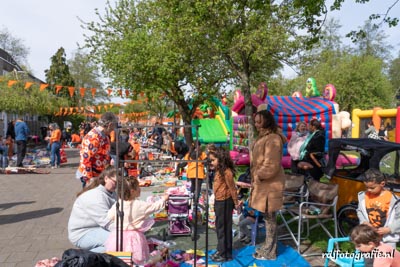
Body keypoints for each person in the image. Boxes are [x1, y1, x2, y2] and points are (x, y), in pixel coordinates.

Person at [249, 109, 286, 260]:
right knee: (268, 218)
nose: (257, 125)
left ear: (267, 121)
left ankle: (270, 252)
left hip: (270, 185)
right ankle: (268, 247)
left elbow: (271, 164)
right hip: (265, 184)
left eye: (259, 122)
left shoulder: (273, 139)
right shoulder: (264, 136)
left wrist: (259, 175)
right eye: (255, 122)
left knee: (270, 219)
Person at [105, 177, 168, 264]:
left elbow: (109, 216)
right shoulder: (139, 205)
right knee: (136, 260)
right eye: (138, 187)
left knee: (121, 260)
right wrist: (163, 199)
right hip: (134, 237)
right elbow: (154, 207)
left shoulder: (118, 203)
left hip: (118, 236)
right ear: (132, 191)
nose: (140, 189)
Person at [68, 166, 118, 253]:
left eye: (119, 183)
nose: (116, 185)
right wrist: (127, 232)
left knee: (120, 241)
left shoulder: (111, 193)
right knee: (117, 242)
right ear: (106, 178)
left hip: (97, 228)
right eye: (114, 182)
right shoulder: (96, 196)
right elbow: (106, 221)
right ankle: (83, 258)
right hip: (82, 233)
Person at [208, 147, 239, 262]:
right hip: (219, 201)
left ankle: (225, 253)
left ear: (220, 159)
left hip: (225, 202)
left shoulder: (227, 172)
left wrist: (236, 203)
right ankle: (221, 248)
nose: (211, 162)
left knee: (224, 228)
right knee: (219, 227)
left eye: (213, 160)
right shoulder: (218, 170)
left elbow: (232, 188)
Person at [356, 168, 400, 248]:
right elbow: (360, 211)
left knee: (386, 259)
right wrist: (364, 222)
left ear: (382, 184)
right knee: (369, 258)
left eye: (372, 188)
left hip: (388, 239)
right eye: (366, 187)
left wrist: (389, 229)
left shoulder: (393, 200)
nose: (369, 190)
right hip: (369, 235)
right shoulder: (363, 197)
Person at [76, 112, 118, 187]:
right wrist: (89, 179)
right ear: (109, 125)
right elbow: (86, 159)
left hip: (100, 174)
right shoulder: (93, 137)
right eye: (112, 128)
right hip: (92, 176)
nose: (112, 130)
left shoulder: (104, 136)